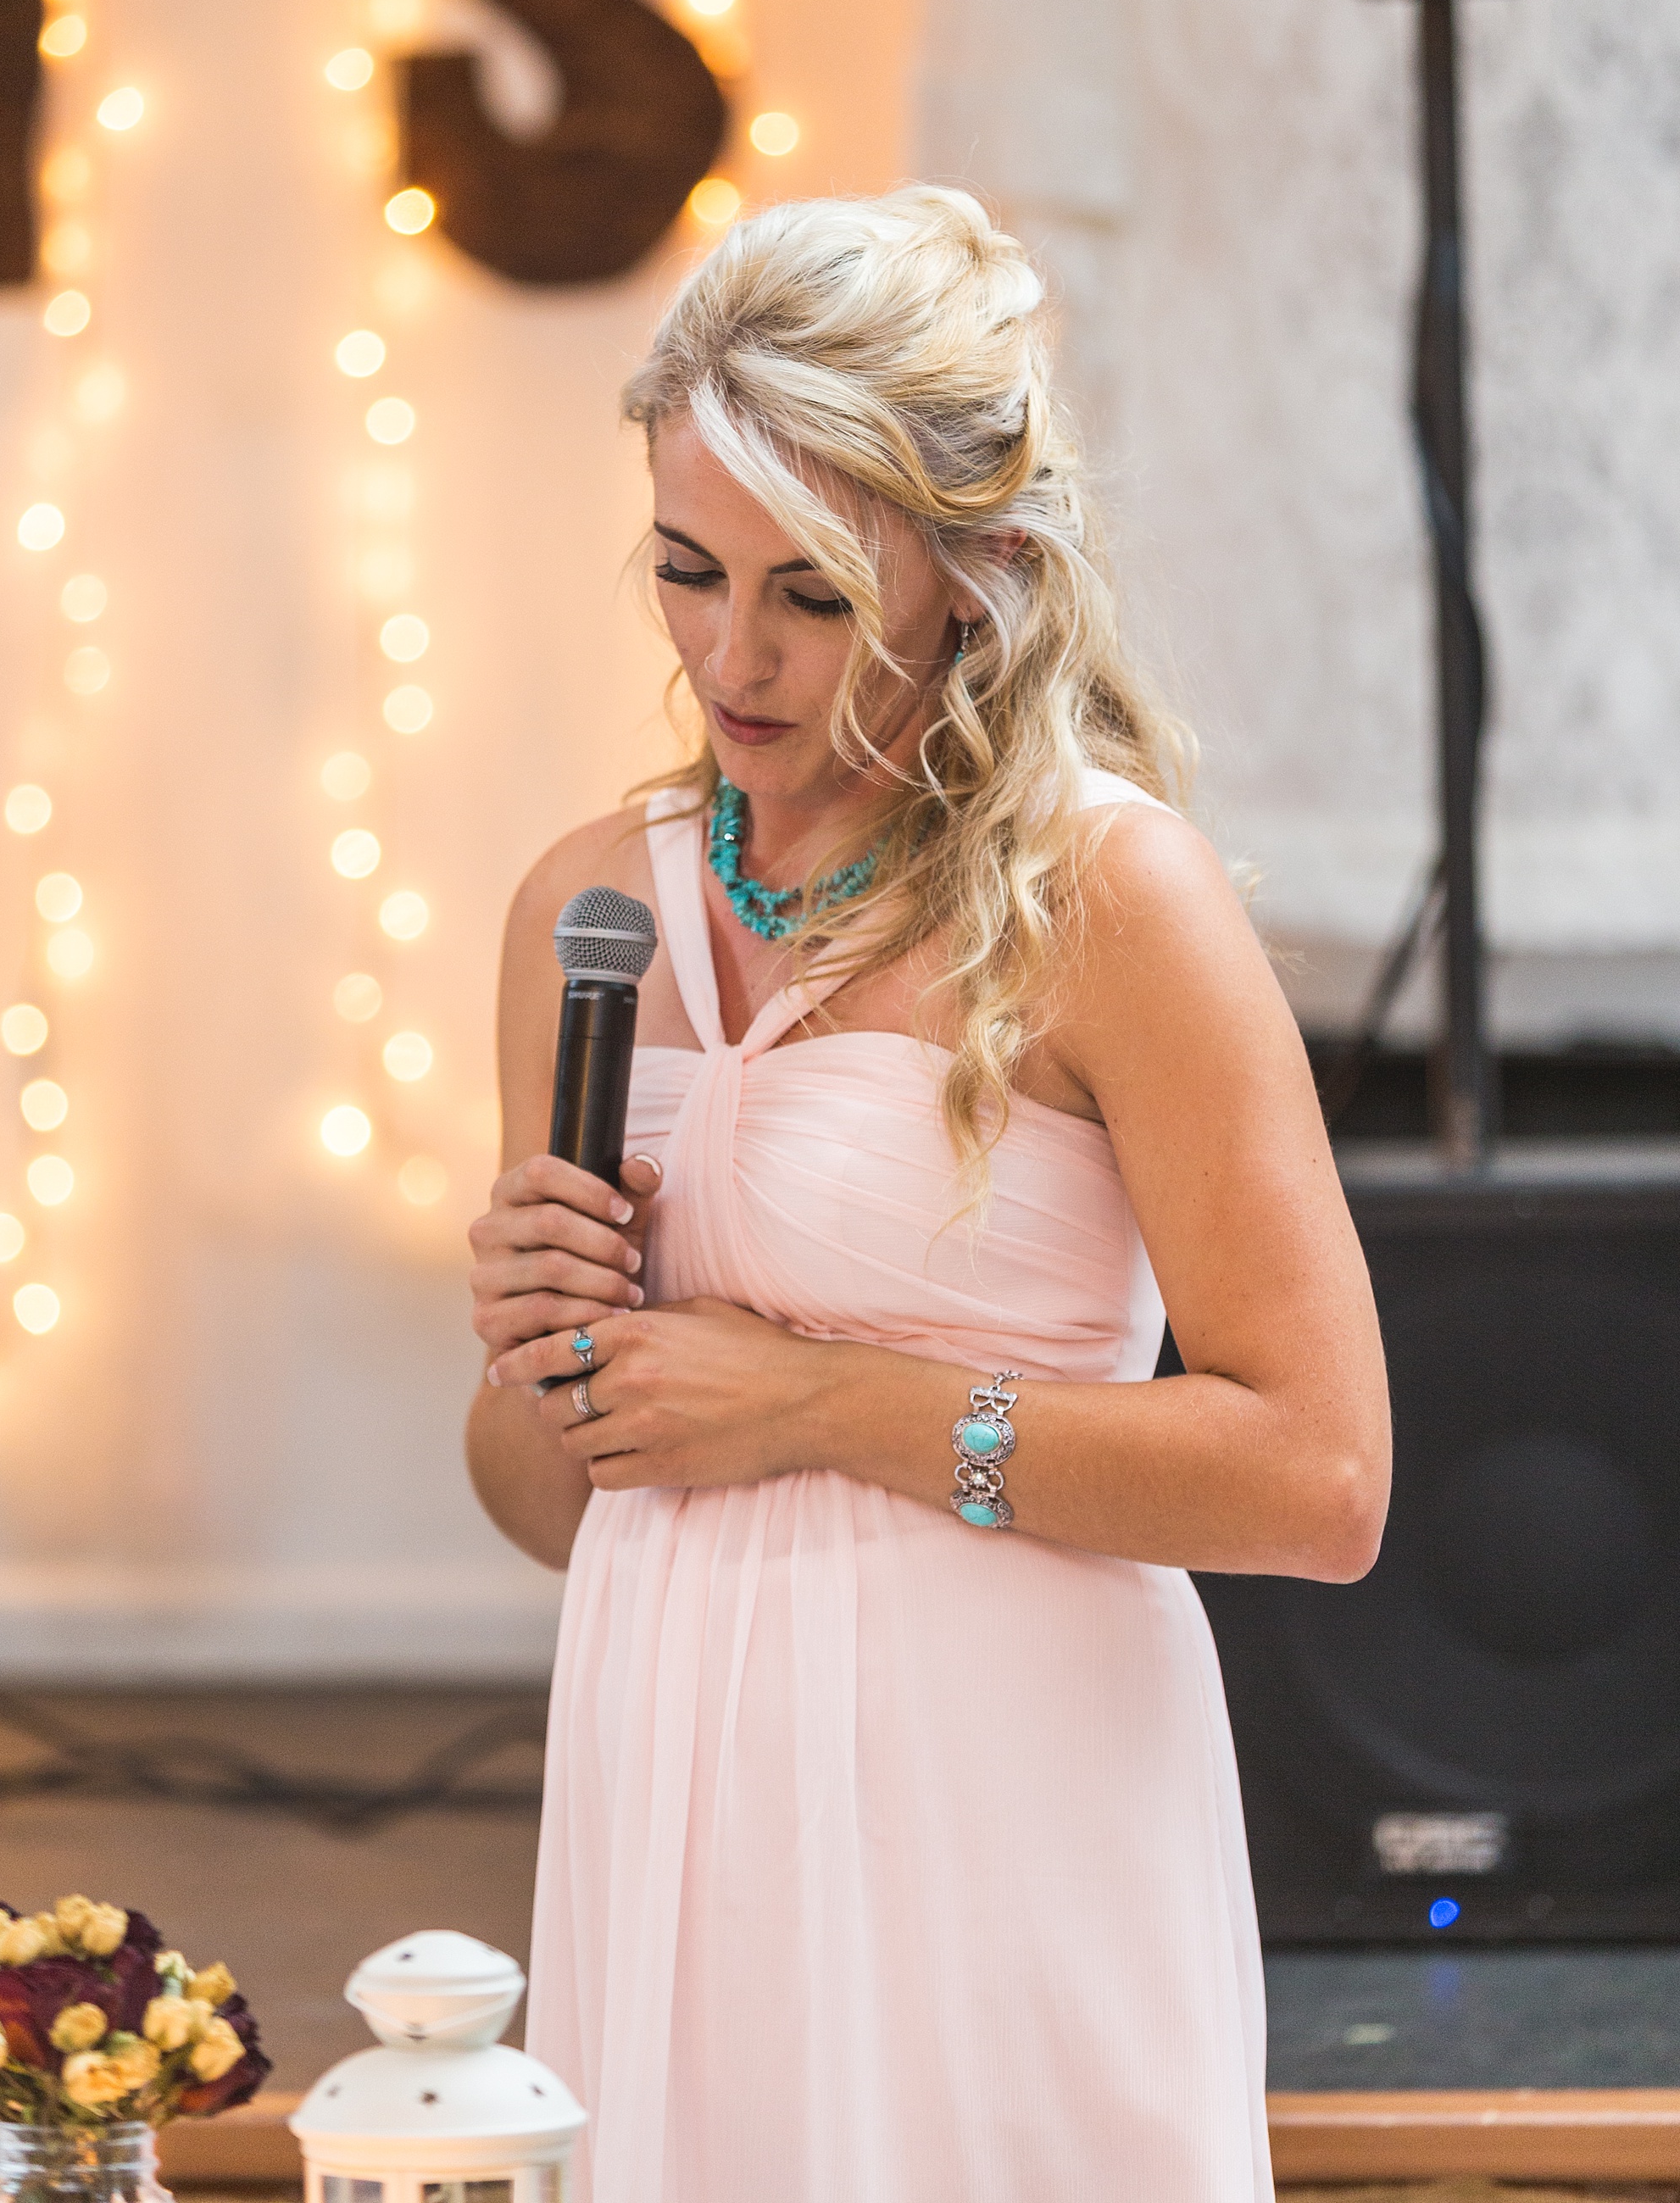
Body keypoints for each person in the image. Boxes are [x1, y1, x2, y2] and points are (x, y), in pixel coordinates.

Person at [465, 186, 1391, 2203]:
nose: (733, 654)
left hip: (1006, 1817)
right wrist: (539, 1349)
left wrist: (816, 1406)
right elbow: (549, 1505)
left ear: (969, 573)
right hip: (670, 1819)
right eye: (688, 571)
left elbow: (1319, 1481)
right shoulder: (586, 909)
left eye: (810, 594)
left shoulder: (1105, 898)